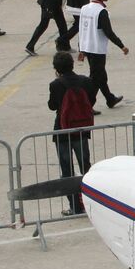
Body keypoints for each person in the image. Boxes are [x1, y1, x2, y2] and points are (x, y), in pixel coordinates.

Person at [47, 52, 98, 214]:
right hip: (81, 130)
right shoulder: (85, 81)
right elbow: (92, 100)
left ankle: (75, 206)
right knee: (86, 167)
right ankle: (93, 203)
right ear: (72, 64)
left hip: (63, 132)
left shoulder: (56, 85)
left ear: (56, 68)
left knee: (67, 170)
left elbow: (52, 106)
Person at [66, 0, 128, 110]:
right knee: (95, 79)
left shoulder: (84, 8)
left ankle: (110, 99)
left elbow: (82, 29)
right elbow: (108, 32)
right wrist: (121, 46)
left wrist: (81, 48)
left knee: (100, 75)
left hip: (87, 47)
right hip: (97, 49)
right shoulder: (102, 12)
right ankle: (87, 105)